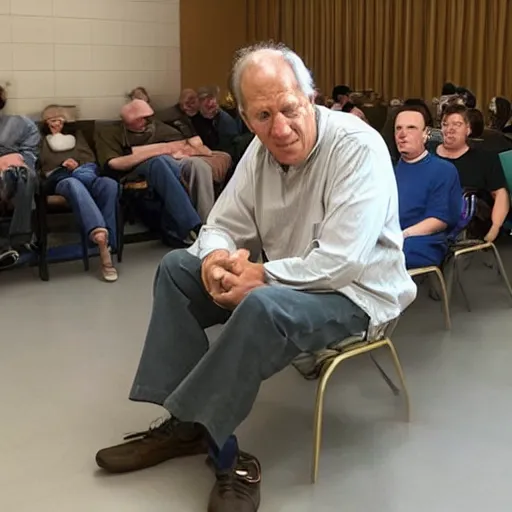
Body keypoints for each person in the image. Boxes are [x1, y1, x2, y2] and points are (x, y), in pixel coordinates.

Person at [94, 43, 417, 512]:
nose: (281, 128)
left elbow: (342, 263)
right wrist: (215, 259)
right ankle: (185, 423)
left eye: (289, 108)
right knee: (177, 268)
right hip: (291, 280)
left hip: (357, 294)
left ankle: (224, 454)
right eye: (263, 116)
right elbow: (222, 223)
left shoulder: (357, 147)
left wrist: (262, 274)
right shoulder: (260, 151)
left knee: (262, 303)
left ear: (311, 98)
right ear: (245, 118)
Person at [95, 99, 213, 240]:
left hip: (172, 162)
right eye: (140, 119)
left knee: (198, 165)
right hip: (134, 170)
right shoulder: (110, 132)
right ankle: (192, 226)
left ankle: (209, 224)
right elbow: (113, 163)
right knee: (158, 162)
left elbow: (183, 143)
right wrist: (157, 151)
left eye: (146, 118)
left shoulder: (156, 126)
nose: (145, 122)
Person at [39, 105, 119, 281]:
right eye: (51, 122)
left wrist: (77, 163)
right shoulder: (41, 139)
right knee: (73, 183)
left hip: (84, 173)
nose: (55, 125)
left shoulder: (77, 136)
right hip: (60, 180)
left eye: (59, 121)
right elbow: (42, 163)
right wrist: (62, 165)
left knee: (109, 184)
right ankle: (101, 240)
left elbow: (89, 158)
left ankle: (110, 241)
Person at [394, 106, 462, 269]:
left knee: (385, 255)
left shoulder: (443, 170)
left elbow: (438, 220)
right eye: (398, 128)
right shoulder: (388, 170)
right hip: (392, 236)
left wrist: (401, 236)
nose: (402, 135)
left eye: (411, 128)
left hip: (424, 240)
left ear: (426, 134)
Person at [436, 104, 510, 242]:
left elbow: (500, 194)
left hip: (469, 229)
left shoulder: (485, 158)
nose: (450, 129)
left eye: (457, 124)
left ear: (468, 129)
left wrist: (494, 229)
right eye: (445, 124)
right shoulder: (428, 155)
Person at [0, 86, 39, 269]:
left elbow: (30, 154)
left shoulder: (22, 124)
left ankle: (17, 240)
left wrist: (17, 161)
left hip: (16, 172)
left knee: (24, 175)